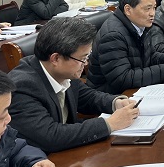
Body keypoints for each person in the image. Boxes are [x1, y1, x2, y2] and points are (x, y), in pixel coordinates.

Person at [8, 17, 141, 153]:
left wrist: (115, 103)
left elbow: (87, 97)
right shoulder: (22, 87)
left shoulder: (63, 72)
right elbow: (50, 136)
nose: (86, 63)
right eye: (82, 58)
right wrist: (110, 124)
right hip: (42, 160)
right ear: (56, 58)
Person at [86, 0, 164, 94]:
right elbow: (122, 78)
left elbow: (150, 56)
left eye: (154, 8)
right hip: (111, 96)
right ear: (128, 9)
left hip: (133, 89)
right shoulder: (113, 35)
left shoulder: (140, 25)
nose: (152, 14)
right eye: (147, 9)